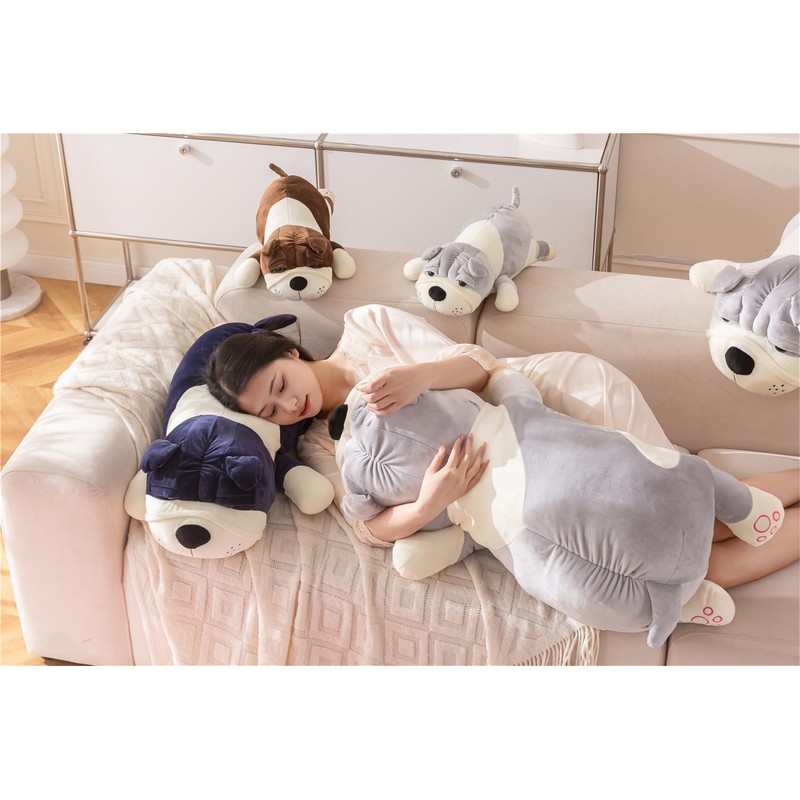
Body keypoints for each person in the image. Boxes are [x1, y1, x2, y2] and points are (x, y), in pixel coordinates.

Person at [204, 304, 799, 594]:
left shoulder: (367, 326)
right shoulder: (316, 446)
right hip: (516, 484)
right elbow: (371, 529)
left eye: (280, 385)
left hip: (546, 399)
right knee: (690, 559)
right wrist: (428, 502)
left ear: (289, 352)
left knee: (690, 512)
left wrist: (420, 376)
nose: (289, 406)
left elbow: (481, 367)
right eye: (269, 412)